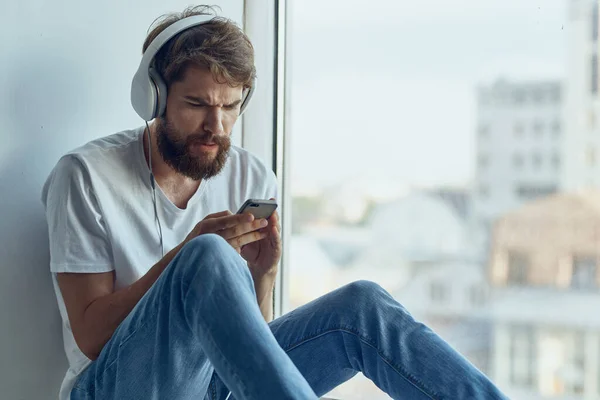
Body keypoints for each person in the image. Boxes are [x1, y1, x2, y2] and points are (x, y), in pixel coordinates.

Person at [41, 5, 508, 400]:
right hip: (119, 385)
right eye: (197, 104)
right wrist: (186, 256)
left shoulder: (251, 174)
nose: (217, 127)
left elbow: (251, 351)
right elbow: (90, 335)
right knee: (205, 252)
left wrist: (262, 277)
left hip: (214, 384)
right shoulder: (84, 176)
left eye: (230, 106)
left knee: (363, 305)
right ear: (154, 98)